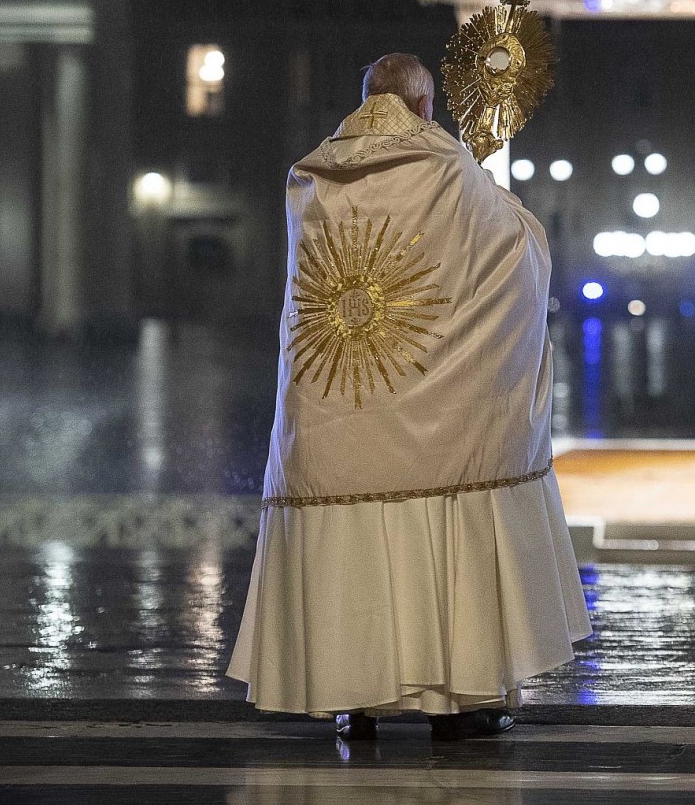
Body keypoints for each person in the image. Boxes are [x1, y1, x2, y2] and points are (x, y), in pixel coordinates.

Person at [227, 53, 589, 741]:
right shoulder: (451, 171)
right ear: (425, 107)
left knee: (347, 546)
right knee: (444, 528)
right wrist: (501, 198)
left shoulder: (311, 177)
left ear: (366, 100)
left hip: (334, 413)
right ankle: (457, 699)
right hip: (437, 418)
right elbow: (516, 256)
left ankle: (348, 697)